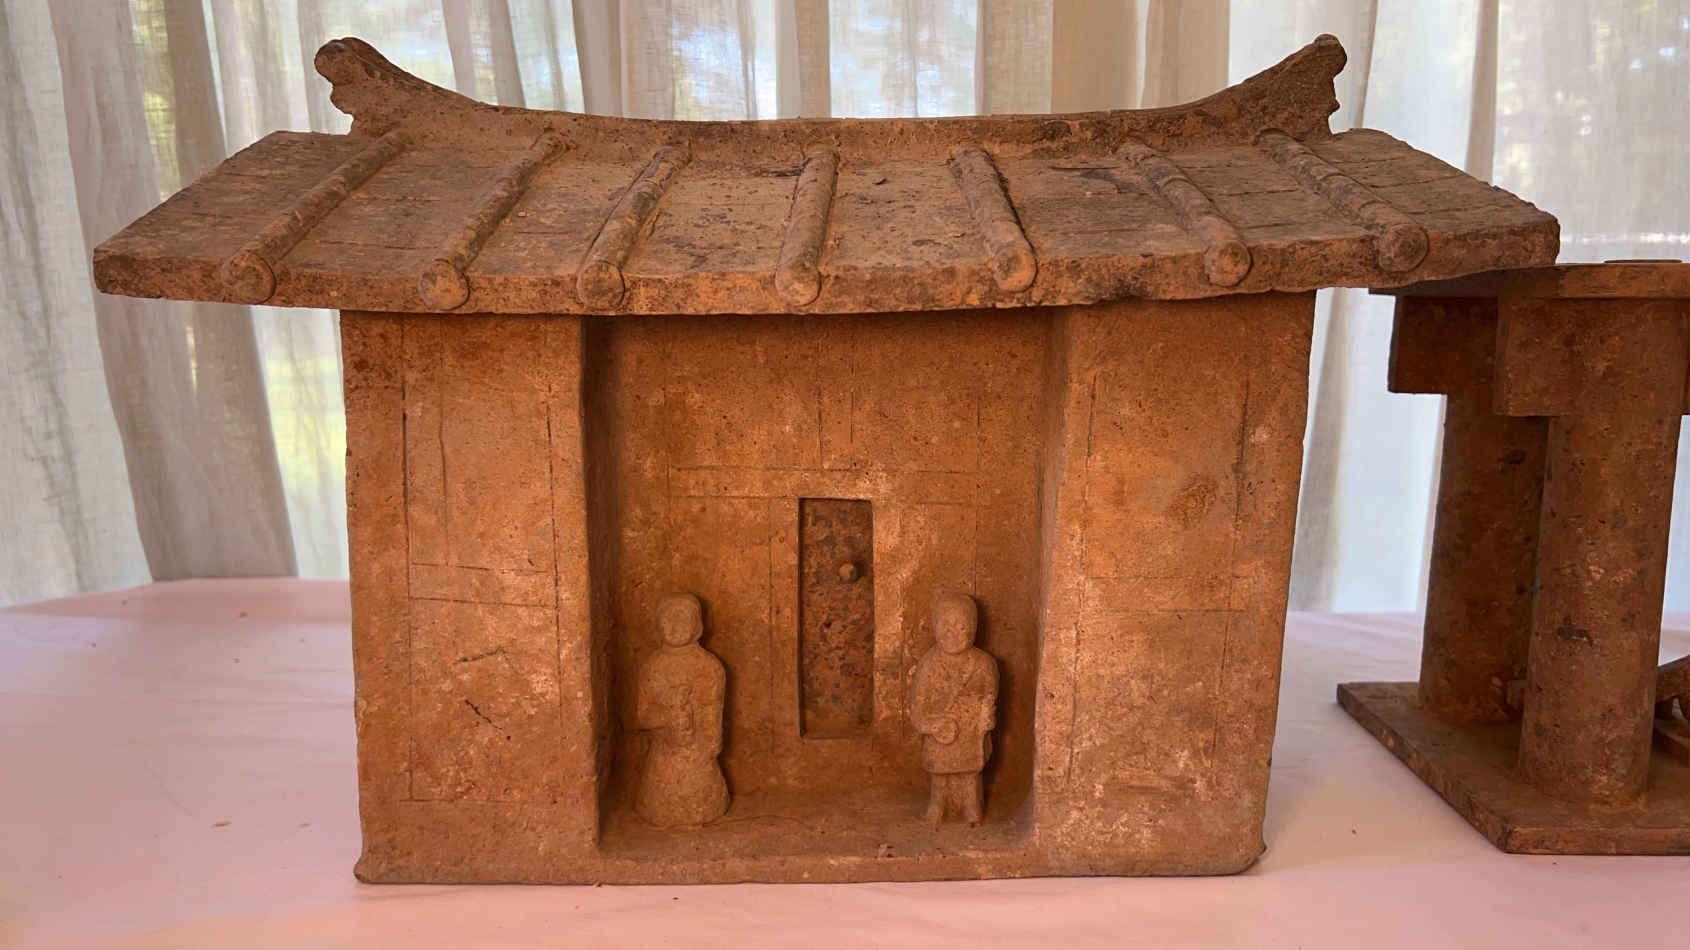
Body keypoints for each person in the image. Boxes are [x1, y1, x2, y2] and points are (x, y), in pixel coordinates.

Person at [635, 593, 729, 827]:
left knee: (700, 797)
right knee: (660, 804)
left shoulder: (709, 667)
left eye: (683, 618)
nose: (675, 624)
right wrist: (668, 717)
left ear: (697, 625)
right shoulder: (653, 666)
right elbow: (643, 716)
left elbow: (713, 716)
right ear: (658, 624)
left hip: (697, 755)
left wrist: (708, 746)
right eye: (669, 618)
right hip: (663, 754)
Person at [909, 591, 998, 827]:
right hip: (942, 731)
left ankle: (971, 804)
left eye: (961, 626)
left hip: (970, 732)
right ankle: (937, 803)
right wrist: (932, 725)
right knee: (939, 769)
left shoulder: (984, 664)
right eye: (945, 626)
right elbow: (918, 707)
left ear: (974, 628)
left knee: (971, 771)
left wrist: (986, 717)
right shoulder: (929, 665)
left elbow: (990, 697)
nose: (952, 633)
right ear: (935, 627)